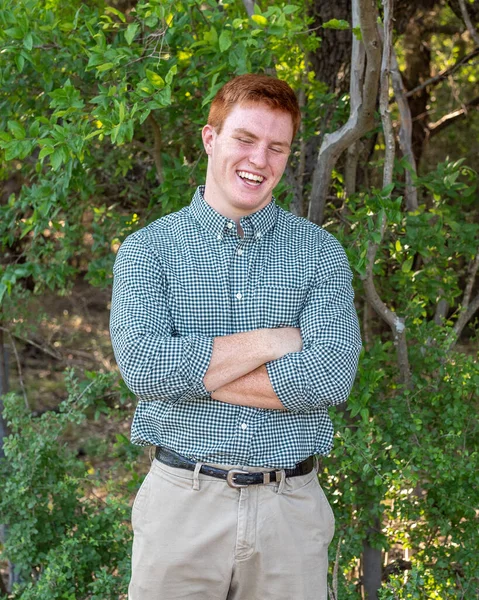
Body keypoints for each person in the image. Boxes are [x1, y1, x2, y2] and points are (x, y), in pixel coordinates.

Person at [110, 73, 362, 600]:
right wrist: (275, 340)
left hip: (290, 512)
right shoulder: (148, 251)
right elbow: (147, 370)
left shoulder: (319, 253)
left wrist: (191, 375)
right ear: (210, 138)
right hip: (183, 505)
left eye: (276, 147)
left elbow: (330, 378)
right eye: (245, 139)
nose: (259, 160)